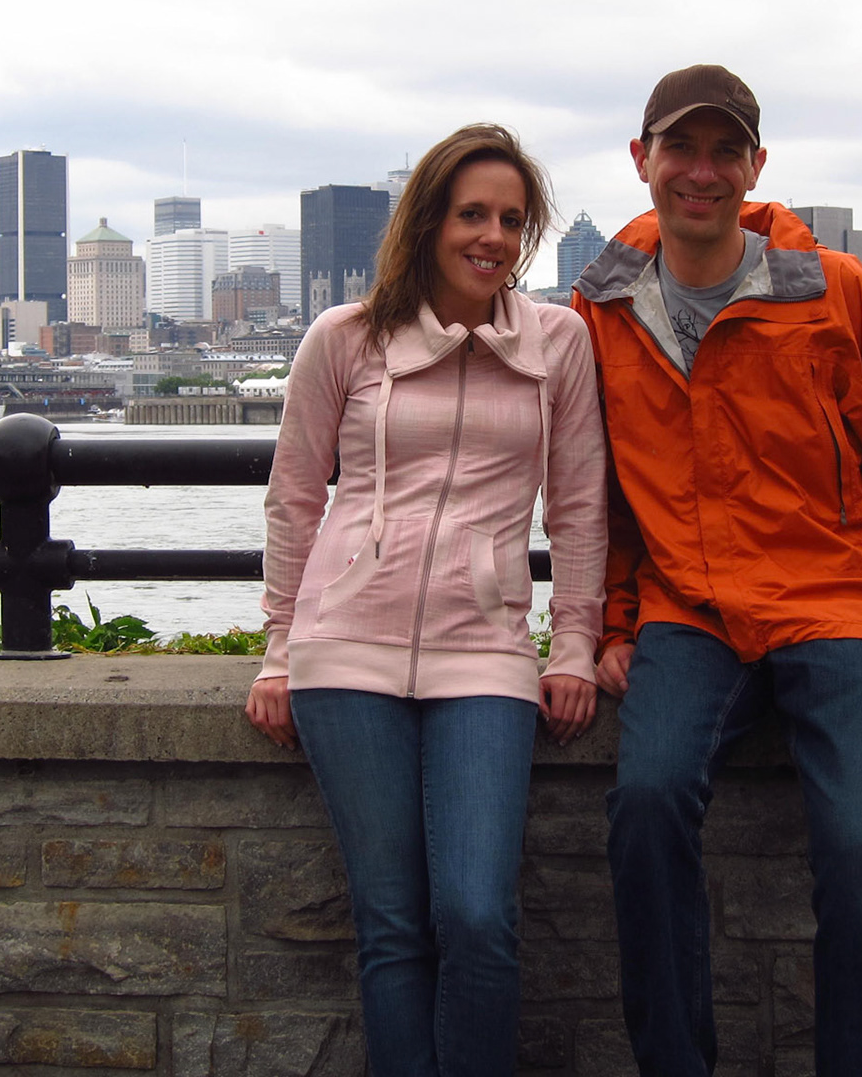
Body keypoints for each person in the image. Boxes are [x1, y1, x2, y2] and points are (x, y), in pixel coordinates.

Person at [571, 65, 862, 1077]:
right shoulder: (604, 311)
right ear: (642, 161)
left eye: (724, 151)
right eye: (680, 149)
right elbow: (602, 489)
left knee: (857, 849)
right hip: (692, 613)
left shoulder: (832, 292)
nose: (700, 172)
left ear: (755, 167)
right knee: (648, 805)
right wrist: (617, 623)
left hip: (840, 603)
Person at [246, 123, 607, 1077]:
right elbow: (293, 498)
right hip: (345, 647)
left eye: (511, 220)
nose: (491, 236)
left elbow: (576, 507)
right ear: (430, 221)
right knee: (394, 923)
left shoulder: (557, 343)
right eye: (472, 214)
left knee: (478, 916)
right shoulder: (346, 338)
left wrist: (573, 645)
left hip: (485, 649)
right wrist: (279, 649)